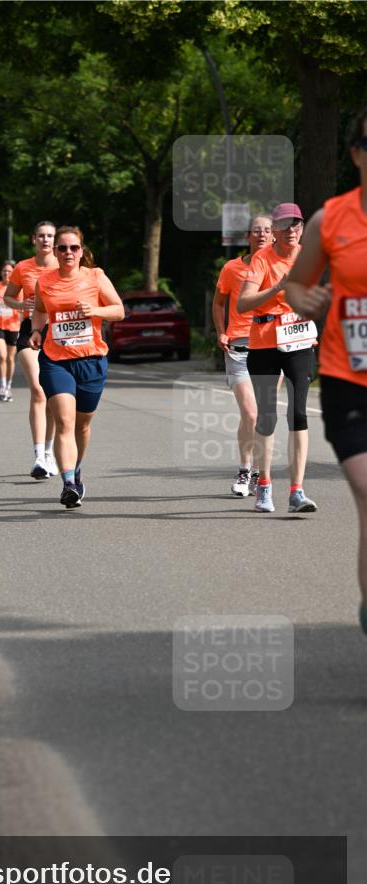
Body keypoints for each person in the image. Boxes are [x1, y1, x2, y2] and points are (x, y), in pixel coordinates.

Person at [287, 107, 367, 630]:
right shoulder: (330, 219)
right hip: (349, 382)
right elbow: (296, 284)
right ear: (357, 154)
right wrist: (307, 300)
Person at [30, 225, 124, 508]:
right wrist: (36, 331)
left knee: (82, 425)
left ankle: (77, 467)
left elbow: (118, 310)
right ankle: (68, 482)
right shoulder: (45, 281)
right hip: (56, 360)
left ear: (82, 251)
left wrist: (95, 310)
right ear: (55, 251)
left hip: (91, 360)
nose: (68, 252)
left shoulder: (95, 276)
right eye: (62, 248)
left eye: (73, 247)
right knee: (65, 422)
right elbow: (39, 310)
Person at [237, 203, 318, 514]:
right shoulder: (262, 259)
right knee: (267, 417)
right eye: (285, 226)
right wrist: (279, 287)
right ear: (275, 231)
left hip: (299, 341)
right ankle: (264, 485)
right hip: (264, 344)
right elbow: (243, 303)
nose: (292, 231)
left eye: (296, 225)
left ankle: (297, 491)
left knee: (298, 414)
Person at [213, 215, 273, 496]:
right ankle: (244, 469)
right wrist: (221, 331)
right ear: (248, 235)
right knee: (250, 412)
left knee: (263, 413)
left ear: (274, 236)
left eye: (267, 230)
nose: (261, 234)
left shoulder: (280, 268)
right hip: (239, 347)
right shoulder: (232, 268)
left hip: (271, 346)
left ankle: (260, 473)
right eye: (256, 230)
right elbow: (218, 302)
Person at [4, 221, 59, 479]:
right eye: (41, 236)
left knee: (53, 395)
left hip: (58, 331)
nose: (45, 240)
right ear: (33, 239)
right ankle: (38, 457)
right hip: (29, 329)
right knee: (38, 389)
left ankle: (49, 452)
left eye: (50, 236)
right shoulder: (23, 267)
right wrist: (20, 304)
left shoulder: (64, 265)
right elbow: (8, 297)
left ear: (55, 240)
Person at [0, 260, 20, 401]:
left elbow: (22, 306)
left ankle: (8, 386)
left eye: (9, 271)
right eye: (4, 271)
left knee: (10, 358)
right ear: (1, 272)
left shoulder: (17, 289)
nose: (6, 273)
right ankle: (2, 387)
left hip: (13, 326)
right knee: (2, 356)